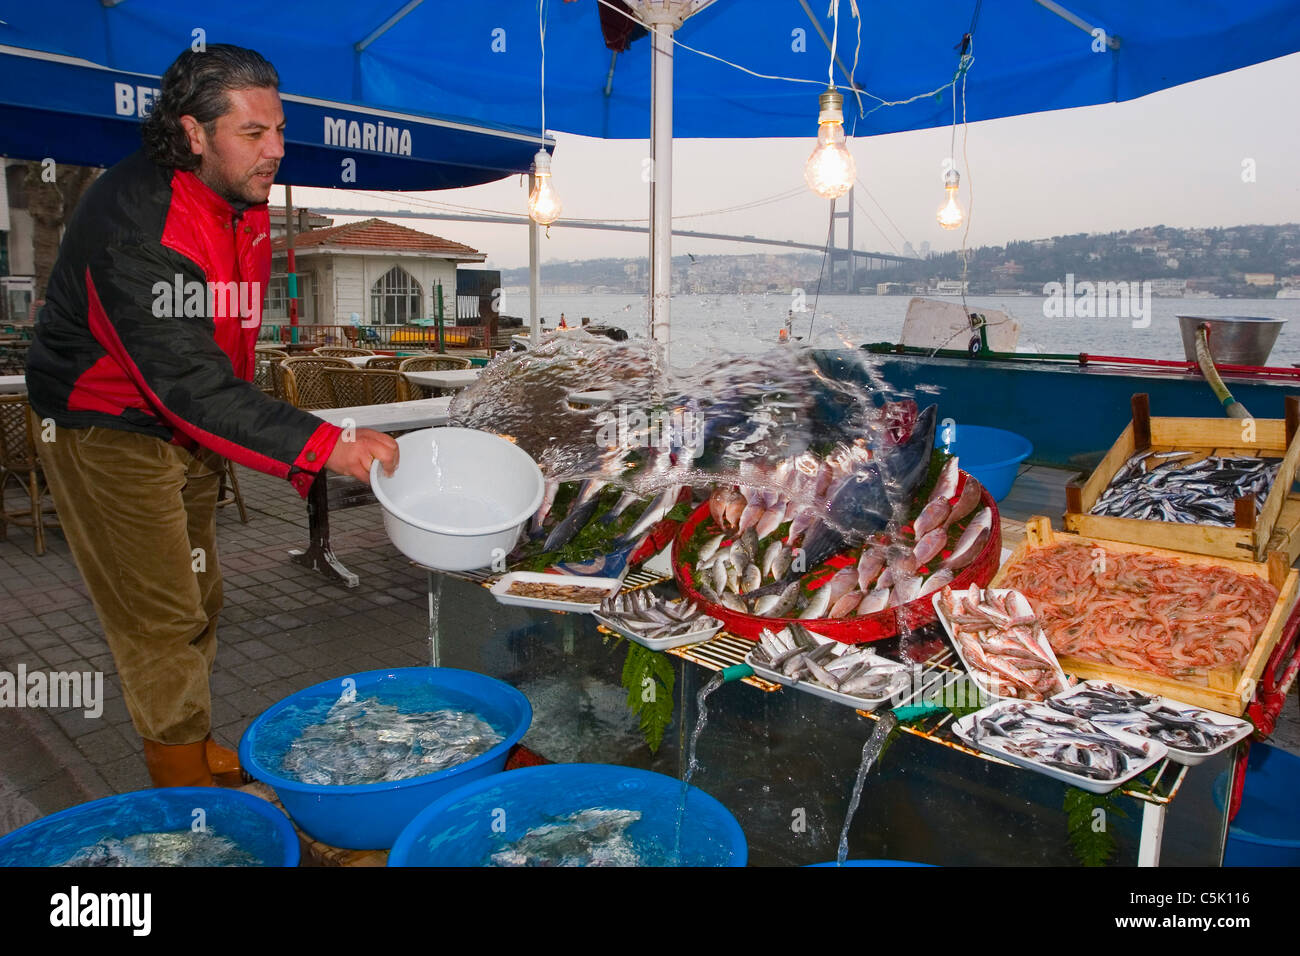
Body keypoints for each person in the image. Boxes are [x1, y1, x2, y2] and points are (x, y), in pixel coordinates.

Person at [24, 45, 399, 788]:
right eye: (254, 134)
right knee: (159, 613)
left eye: (280, 130)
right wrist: (326, 441)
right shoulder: (136, 226)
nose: (277, 152)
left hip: (187, 419)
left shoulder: (241, 198)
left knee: (203, 593)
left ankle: (191, 744)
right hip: (109, 424)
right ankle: (179, 778)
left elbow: (213, 358)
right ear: (193, 133)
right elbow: (186, 383)